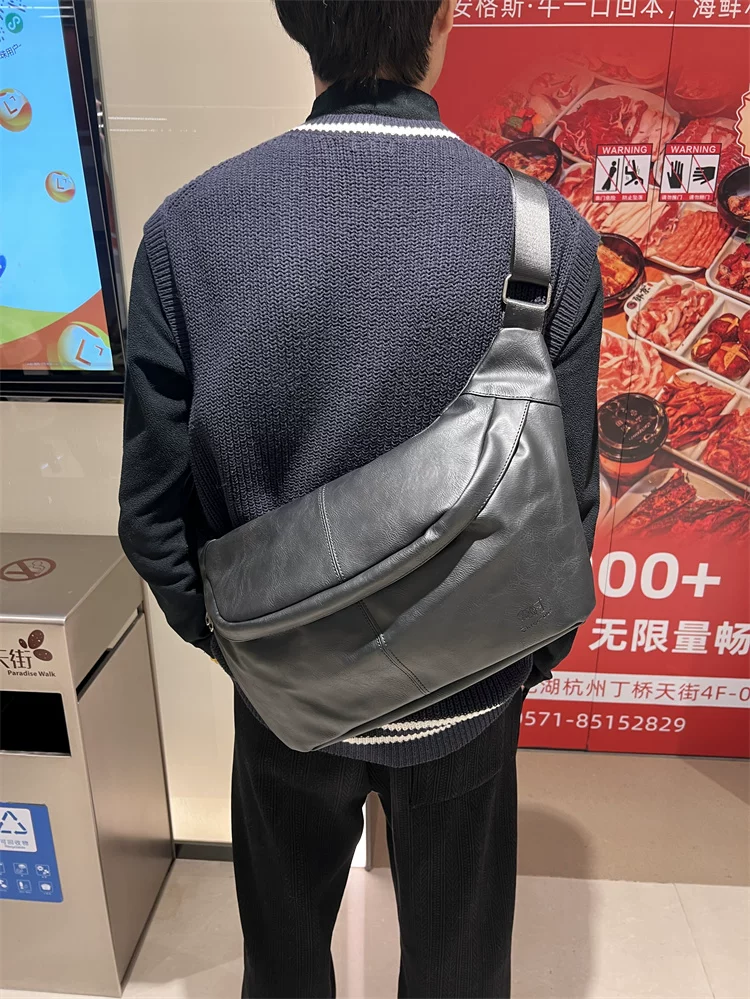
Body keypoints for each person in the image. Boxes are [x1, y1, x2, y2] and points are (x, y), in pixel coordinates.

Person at [118, 1, 602, 995]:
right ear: (445, 17)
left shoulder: (187, 232)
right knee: (459, 968)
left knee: (283, 963)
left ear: (292, 17)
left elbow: (153, 515)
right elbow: (569, 503)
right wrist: (515, 662)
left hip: (284, 699)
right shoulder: (546, 236)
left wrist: (251, 653)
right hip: (469, 695)